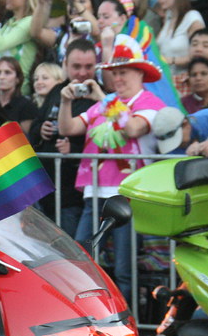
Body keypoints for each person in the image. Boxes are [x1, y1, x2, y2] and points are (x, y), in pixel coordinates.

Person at [58, 39, 165, 301]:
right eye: (114, 73)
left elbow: (133, 129)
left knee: (124, 269)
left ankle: (128, 324)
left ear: (139, 73)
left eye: (123, 72)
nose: (117, 78)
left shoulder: (150, 102)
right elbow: (69, 129)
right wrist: (64, 101)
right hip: (94, 192)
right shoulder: (107, 102)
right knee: (82, 259)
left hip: (127, 194)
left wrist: (105, 100)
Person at [29, 38, 98, 237]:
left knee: (73, 255)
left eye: (89, 67)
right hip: (46, 191)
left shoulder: (102, 96)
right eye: (76, 66)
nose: (83, 73)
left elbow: (105, 141)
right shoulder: (56, 92)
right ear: (65, 65)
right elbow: (34, 126)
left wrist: (74, 150)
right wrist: (40, 130)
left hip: (73, 195)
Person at [152, 0, 205, 76]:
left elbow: (199, 54)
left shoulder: (192, 17)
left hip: (184, 80)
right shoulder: (168, 19)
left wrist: (170, 60)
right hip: (166, 79)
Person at [0, 56, 37, 134]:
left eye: (7, 72)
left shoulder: (26, 106)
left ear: (17, 79)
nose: (1, 77)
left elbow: (27, 138)